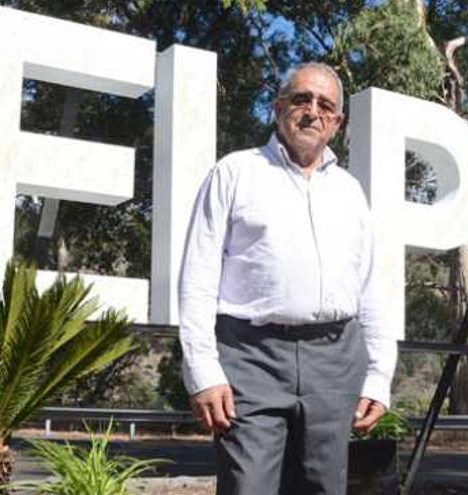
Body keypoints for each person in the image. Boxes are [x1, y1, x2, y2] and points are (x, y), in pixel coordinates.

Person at [178, 62, 397, 495]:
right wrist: (202, 369)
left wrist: (378, 375)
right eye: (301, 99)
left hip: (335, 361)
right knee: (249, 485)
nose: (312, 111)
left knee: (322, 486)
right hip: (250, 357)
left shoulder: (350, 192)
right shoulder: (234, 173)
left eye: (325, 105)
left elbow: (371, 289)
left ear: (336, 123)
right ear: (279, 108)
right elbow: (197, 278)